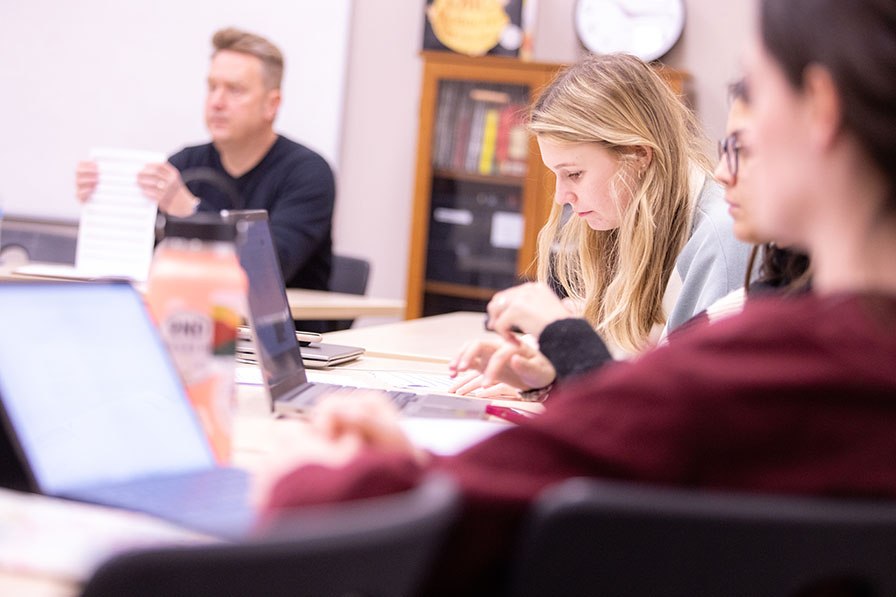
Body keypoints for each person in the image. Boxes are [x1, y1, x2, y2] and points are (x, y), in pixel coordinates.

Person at [255, 0, 896, 593]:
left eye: (752, 90)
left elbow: (358, 529)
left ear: (819, 108)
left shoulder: (766, 366)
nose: (728, 153)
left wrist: (316, 465)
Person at [448, 53, 752, 397]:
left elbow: (684, 419)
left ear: (638, 156)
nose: (562, 196)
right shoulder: (633, 216)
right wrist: (550, 379)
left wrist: (564, 343)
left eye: (574, 174)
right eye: (557, 175)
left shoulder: (722, 238)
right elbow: (634, 386)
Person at [75, 27, 335, 298]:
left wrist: (191, 210)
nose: (216, 102)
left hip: (290, 336)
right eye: (212, 87)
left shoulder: (308, 173)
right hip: (191, 320)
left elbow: (269, 271)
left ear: (272, 105)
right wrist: (104, 199)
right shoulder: (186, 163)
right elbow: (131, 255)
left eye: (235, 90)